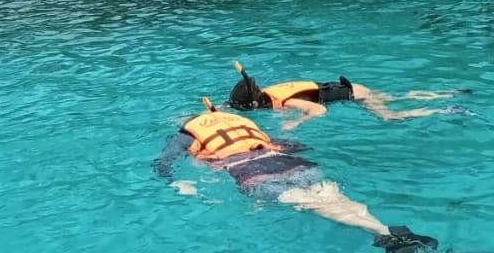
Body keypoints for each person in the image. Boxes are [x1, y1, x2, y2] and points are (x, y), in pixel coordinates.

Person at [154, 97, 437, 250]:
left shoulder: (185, 136)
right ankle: (389, 231)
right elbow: (295, 145)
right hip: (288, 160)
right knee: (332, 196)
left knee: (309, 203)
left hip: (250, 171)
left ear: (189, 123)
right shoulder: (242, 121)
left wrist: (180, 183)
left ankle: (386, 235)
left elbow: (163, 166)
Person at [228, 62, 470, 127]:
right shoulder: (270, 93)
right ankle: (447, 93)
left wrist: (296, 121)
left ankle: (444, 109)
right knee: (396, 96)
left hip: (356, 95)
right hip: (352, 87)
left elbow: (319, 110)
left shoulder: (288, 101)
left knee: (390, 117)